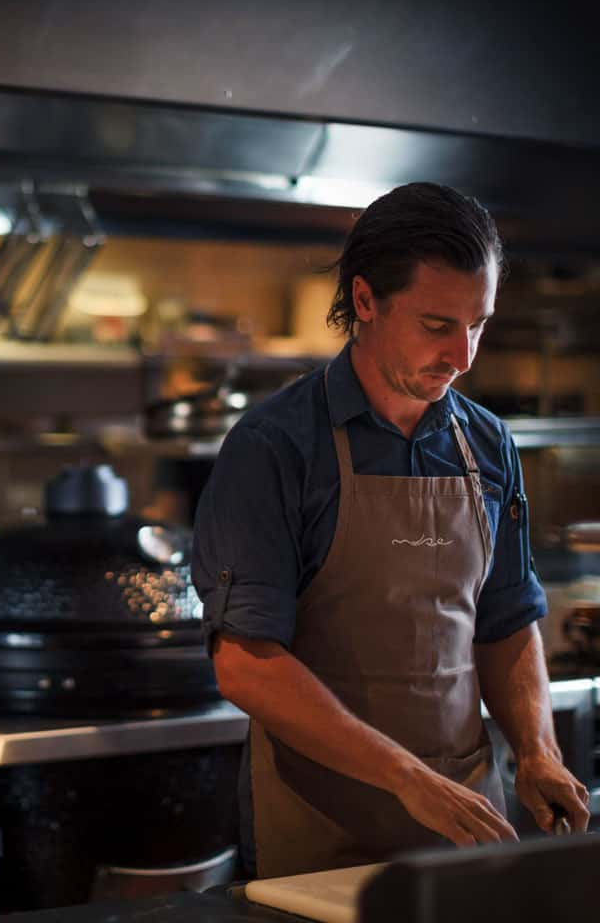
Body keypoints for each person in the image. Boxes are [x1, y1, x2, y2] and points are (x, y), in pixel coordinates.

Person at [190, 182, 591, 880]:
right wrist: (406, 777)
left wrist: (535, 750)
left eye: (479, 324)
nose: (463, 356)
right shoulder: (275, 446)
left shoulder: (488, 445)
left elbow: (505, 621)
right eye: (438, 325)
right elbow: (245, 663)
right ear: (366, 301)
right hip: (318, 832)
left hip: (468, 819)